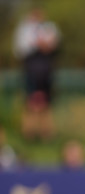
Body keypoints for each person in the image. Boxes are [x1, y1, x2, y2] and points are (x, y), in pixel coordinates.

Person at [13, 7, 60, 141]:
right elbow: (20, 50)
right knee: (30, 102)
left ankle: (47, 135)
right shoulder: (24, 29)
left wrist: (45, 45)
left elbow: (54, 44)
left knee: (46, 103)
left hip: (46, 70)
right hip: (31, 69)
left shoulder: (50, 27)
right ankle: (29, 134)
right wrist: (36, 44)